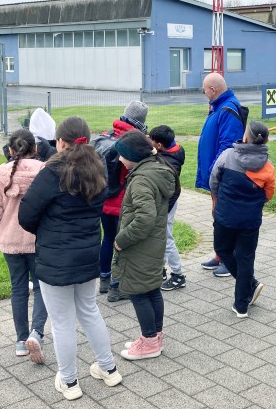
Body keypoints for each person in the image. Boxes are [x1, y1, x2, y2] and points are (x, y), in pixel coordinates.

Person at [19, 117, 122, 401]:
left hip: (56, 258)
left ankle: (69, 381)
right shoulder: (98, 169)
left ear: (60, 142)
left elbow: (26, 215)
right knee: (89, 311)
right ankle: (108, 368)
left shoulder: (52, 172)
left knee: (63, 321)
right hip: (87, 252)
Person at [0, 129, 48, 362]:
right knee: (41, 287)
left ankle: (21, 340)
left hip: (10, 241)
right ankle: (36, 332)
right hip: (39, 239)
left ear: (10, 151)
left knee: (18, 288)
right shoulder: (45, 171)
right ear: (35, 149)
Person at [112, 130, 176, 360]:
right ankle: (154, 336)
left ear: (133, 156)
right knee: (151, 290)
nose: (120, 160)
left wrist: (121, 240)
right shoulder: (154, 170)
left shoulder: (141, 180)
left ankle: (149, 342)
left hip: (140, 247)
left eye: (122, 155)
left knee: (138, 292)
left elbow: (145, 218)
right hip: (153, 244)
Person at [211, 121, 276, 320]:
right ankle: (241, 306)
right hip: (250, 220)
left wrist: (218, 201)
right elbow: (269, 194)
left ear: (245, 137)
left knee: (222, 250)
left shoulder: (227, 155)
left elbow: (213, 181)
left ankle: (250, 285)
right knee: (246, 257)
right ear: (266, 140)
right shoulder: (268, 166)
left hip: (225, 216)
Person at [196, 73, 246, 277]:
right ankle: (220, 254)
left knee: (225, 217)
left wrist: (213, 171)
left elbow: (227, 146)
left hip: (222, 175)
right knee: (217, 215)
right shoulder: (218, 107)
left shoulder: (228, 109)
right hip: (215, 175)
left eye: (204, 90)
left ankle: (230, 257)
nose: (204, 93)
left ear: (213, 90)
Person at [99, 100, 149, 302]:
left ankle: (104, 279)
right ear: (141, 120)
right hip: (123, 203)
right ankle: (116, 287)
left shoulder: (106, 135)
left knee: (108, 238)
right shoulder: (135, 141)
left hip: (104, 199)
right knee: (123, 244)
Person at [149, 125, 187, 291]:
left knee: (165, 238)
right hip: (169, 200)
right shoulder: (175, 149)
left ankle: (178, 275)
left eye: (151, 140)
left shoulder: (167, 162)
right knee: (161, 236)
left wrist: (162, 211)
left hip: (167, 203)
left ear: (159, 145)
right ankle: (161, 271)